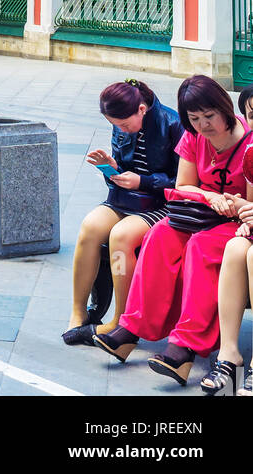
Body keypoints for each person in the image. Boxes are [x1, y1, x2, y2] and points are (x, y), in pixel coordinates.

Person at [95, 75, 253, 384]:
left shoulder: (248, 141)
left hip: (232, 222)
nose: (203, 125)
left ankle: (185, 346)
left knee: (200, 248)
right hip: (198, 214)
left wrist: (230, 205)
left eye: (209, 116)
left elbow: (250, 206)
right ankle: (132, 328)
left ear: (224, 108)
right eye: (194, 119)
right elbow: (183, 186)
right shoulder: (193, 136)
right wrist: (210, 196)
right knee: (160, 235)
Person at [63, 79, 183, 347]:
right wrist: (111, 169)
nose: (121, 130)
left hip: (159, 204)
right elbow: (122, 173)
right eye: (115, 126)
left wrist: (144, 181)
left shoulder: (173, 124)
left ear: (142, 109)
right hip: (126, 199)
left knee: (120, 237)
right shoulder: (121, 125)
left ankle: (121, 321)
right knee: (89, 227)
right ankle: (79, 311)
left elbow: (183, 180)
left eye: (125, 125)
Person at [198, 86, 253, 395]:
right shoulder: (252, 154)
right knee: (235, 247)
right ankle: (229, 354)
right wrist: (245, 217)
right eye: (252, 116)